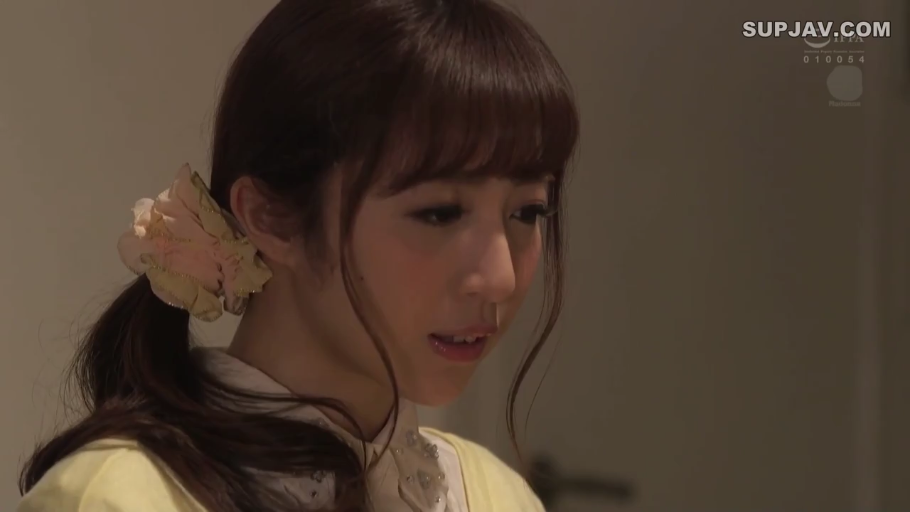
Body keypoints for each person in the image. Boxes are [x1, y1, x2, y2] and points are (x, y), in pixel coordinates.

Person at [16, 0, 579, 510]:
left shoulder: (495, 495)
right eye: (440, 213)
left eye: (528, 212)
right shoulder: (118, 498)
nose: (501, 278)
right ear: (270, 217)